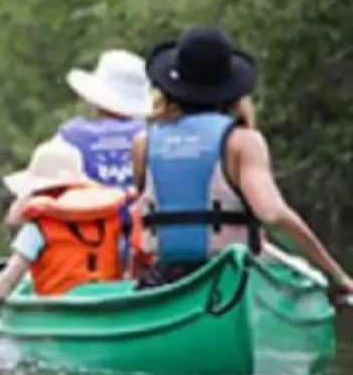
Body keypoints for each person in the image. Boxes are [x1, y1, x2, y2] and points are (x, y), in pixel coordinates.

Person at [131, 25, 353, 298]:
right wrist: (335, 274)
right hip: (234, 278)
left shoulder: (144, 143)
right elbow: (272, 214)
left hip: (164, 281)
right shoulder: (242, 142)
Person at [0, 138, 129, 353]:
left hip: (61, 315)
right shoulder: (109, 220)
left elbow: (6, 281)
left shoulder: (38, 227)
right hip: (106, 310)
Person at [4, 49, 149, 228]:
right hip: (143, 237)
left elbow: (27, 199)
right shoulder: (152, 135)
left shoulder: (69, 138)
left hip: (88, 239)